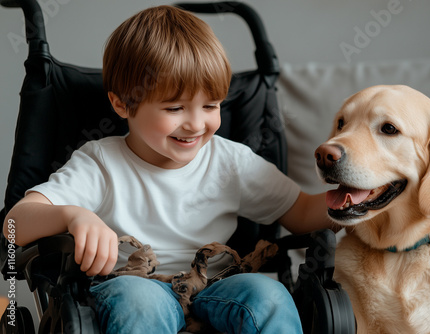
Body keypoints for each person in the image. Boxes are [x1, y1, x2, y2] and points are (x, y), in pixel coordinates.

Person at [3, 5, 336, 334]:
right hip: (131, 285)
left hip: (215, 286)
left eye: (210, 105)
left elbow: (302, 212)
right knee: (140, 301)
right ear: (123, 104)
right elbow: (15, 223)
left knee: (269, 296)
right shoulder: (101, 163)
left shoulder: (231, 161)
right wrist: (74, 216)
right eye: (175, 107)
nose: (195, 123)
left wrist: (367, 198)